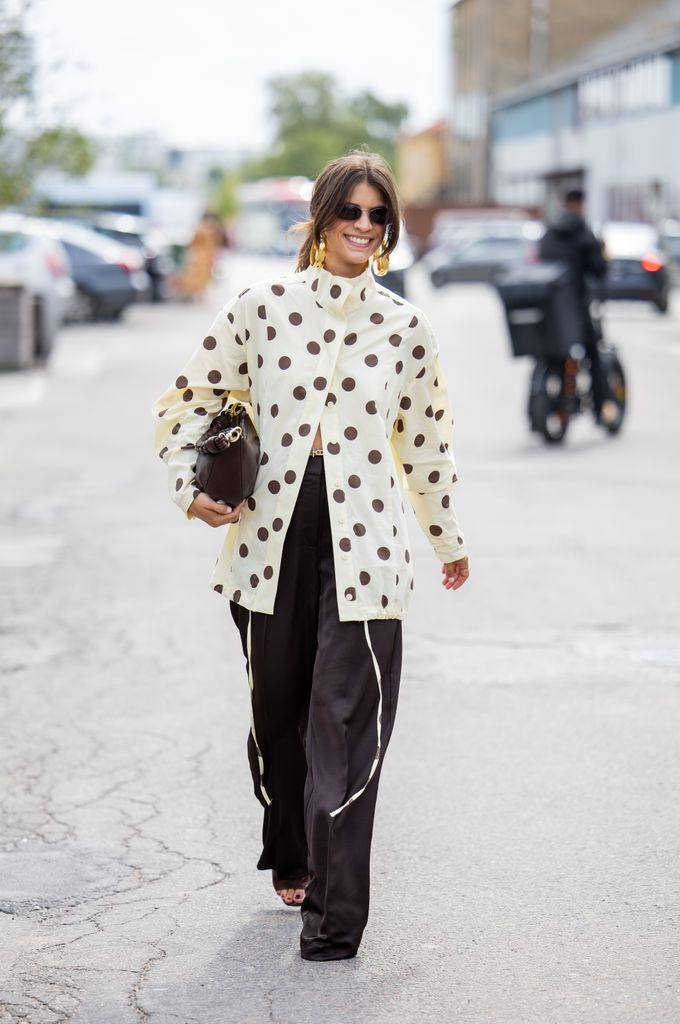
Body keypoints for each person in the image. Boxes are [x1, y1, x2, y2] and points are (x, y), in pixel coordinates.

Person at [152, 151, 469, 962]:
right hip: (268, 540)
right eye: (350, 213)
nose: (364, 227)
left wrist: (446, 537)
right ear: (321, 220)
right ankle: (290, 850)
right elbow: (190, 397)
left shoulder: (407, 328)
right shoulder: (261, 308)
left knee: (343, 723)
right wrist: (186, 485)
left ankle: (335, 916)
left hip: (366, 545)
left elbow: (427, 444)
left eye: (377, 216)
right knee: (279, 719)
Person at [539, 188, 609, 420]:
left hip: (549, 310)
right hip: (576, 309)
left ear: (563, 205)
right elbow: (598, 269)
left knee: (550, 352)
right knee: (594, 355)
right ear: (580, 205)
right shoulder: (584, 233)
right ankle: (602, 409)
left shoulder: (549, 232)